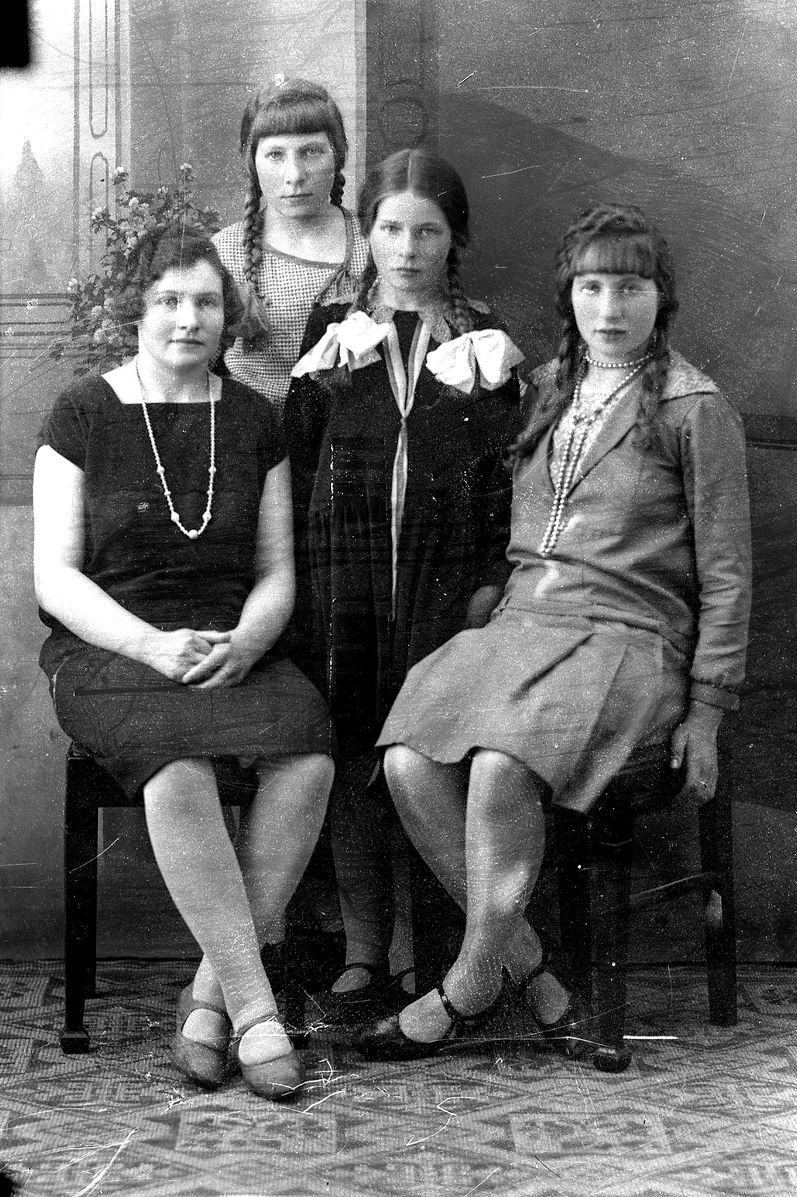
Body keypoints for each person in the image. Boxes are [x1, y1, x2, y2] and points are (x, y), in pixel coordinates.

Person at [355, 201, 752, 1060]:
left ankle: (465, 987)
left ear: (661, 297)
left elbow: (726, 573)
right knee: (409, 759)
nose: (609, 308)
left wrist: (707, 709)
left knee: (501, 763)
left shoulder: (693, 407)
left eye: (630, 288)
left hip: (629, 641)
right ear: (568, 295)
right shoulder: (540, 389)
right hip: (524, 625)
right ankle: (531, 973)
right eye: (591, 287)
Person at [33, 227, 334, 1100]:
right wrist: (149, 643)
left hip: (230, 646)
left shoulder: (251, 418)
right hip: (110, 650)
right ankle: (256, 1009)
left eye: (205, 301)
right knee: (176, 763)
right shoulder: (82, 412)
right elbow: (56, 576)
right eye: (168, 300)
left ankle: (209, 998)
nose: (187, 318)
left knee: (309, 750)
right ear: (136, 309)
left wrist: (247, 640)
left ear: (226, 314)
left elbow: (276, 570)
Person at [283, 148, 524, 1022]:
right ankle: (361, 951)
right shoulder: (332, 325)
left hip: (442, 581)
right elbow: (299, 454)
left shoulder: (484, 338)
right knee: (353, 746)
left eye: (427, 231)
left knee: (427, 749)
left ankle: (443, 955)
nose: (407, 249)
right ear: (368, 231)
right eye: (390, 229)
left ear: (454, 238)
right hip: (343, 575)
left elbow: (506, 480)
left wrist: (485, 587)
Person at [213, 76, 369, 411]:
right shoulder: (225, 251)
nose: (294, 175)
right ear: (252, 163)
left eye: (311, 151)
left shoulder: (371, 242)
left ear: (338, 155)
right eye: (275, 155)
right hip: (253, 431)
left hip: (345, 432)